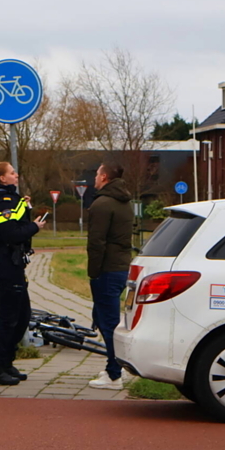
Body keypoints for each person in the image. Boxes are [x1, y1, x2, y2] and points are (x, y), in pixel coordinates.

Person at [0, 162, 47, 386]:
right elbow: (10, 233)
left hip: (10, 261)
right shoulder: (3, 201)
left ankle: (6, 361)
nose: (16, 174)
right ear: (2, 179)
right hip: (4, 260)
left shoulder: (5, 198)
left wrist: (24, 210)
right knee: (8, 317)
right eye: (11, 172)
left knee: (22, 315)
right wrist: (35, 227)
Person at [86, 162, 134, 390]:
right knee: (112, 319)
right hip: (122, 266)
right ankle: (118, 368)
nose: (94, 178)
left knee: (107, 322)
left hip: (106, 268)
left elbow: (96, 243)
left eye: (96, 174)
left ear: (104, 177)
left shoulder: (102, 204)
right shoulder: (125, 201)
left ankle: (114, 374)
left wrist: (93, 273)